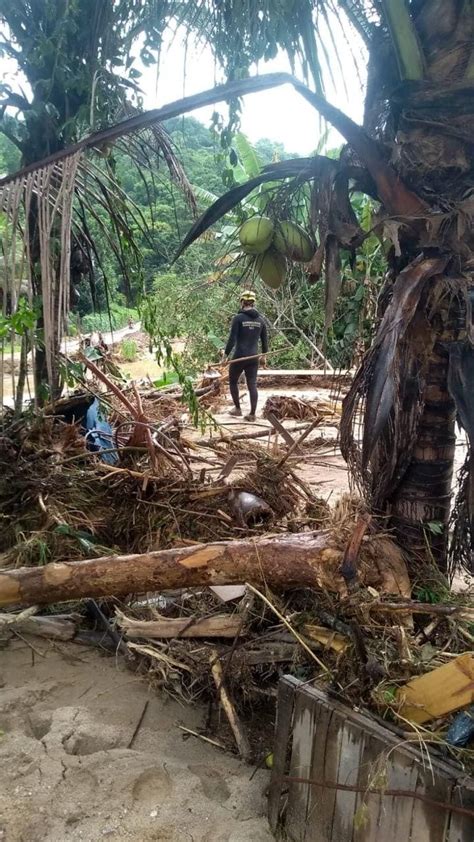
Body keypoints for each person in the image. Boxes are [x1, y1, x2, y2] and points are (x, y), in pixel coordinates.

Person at [224, 290, 268, 422]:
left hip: (239, 356)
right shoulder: (261, 320)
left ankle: (237, 409)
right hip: (253, 357)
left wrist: (225, 355)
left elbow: (232, 339)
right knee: (252, 384)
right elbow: (265, 341)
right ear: (254, 303)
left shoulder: (238, 318)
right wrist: (263, 357)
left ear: (242, 302)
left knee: (233, 381)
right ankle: (253, 414)